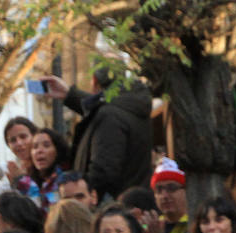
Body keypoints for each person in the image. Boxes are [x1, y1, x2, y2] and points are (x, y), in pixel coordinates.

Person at [41, 71, 153, 203]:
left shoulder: (109, 116)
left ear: (94, 82)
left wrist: (81, 195)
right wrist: (70, 95)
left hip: (113, 207)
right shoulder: (130, 108)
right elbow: (98, 105)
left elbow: (103, 171)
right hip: (132, 201)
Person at [151, 158, 189, 233]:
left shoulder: (193, 225)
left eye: (171, 188)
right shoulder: (153, 226)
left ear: (185, 191)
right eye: (159, 190)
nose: (164, 196)